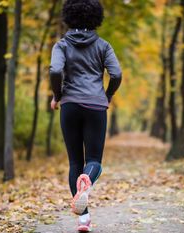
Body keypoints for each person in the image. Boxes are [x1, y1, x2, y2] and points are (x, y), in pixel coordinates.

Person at [49, 0, 122, 231]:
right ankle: (88, 181)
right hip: (95, 107)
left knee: (74, 162)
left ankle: (83, 220)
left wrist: (57, 95)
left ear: (68, 16)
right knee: (94, 162)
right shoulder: (103, 45)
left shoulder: (61, 45)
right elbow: (116, 73)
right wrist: (107, 94)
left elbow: (55, 70)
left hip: (69, 105)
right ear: (95, 17)